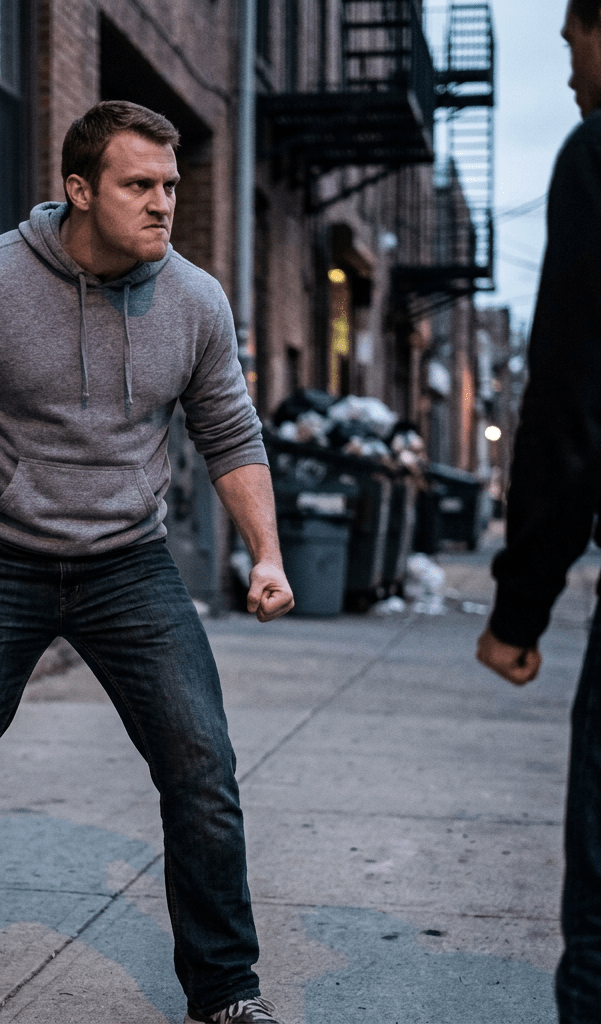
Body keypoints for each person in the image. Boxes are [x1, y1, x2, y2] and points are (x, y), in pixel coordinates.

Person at [0, 101, 294, 1024]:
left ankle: (226, 990)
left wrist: (268, 555)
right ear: (80, 190)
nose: (163, 203)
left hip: (130, 564)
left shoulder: (196, 300)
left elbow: (231, 435)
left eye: (171, 185)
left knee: (202, 770)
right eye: (140, 185)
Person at [476, 2, 601, 1019]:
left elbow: (567, 407)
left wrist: (519, 612)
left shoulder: (596, 156)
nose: (566, 73)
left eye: (570, 44)